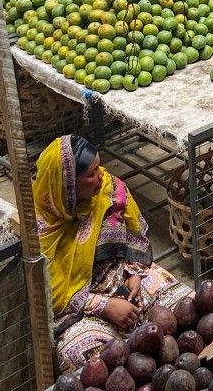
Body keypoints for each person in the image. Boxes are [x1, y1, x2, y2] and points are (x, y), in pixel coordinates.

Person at [35, 135, 190, 373]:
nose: (101, 176)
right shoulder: (40, 227)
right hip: (82, 309)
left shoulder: (110, 191)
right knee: (84, 359)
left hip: (124, 280)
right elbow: (50, 294)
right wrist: (104, 305)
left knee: (187, 307)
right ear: (67, 184)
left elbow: (134, 235)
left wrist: (134, 274)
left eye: (100, 166)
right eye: (91, 173)